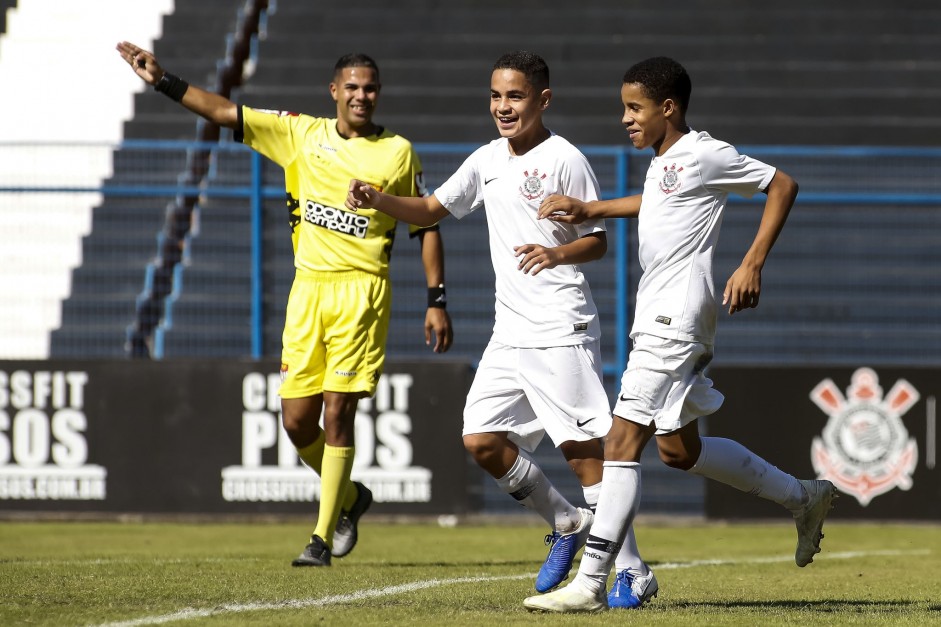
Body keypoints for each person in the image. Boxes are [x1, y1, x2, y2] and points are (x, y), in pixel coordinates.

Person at [116, 42, 453, 567]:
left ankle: (319, 540)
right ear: (334, 91)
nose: (362, 95)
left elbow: (426, 224)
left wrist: (437, 299)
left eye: (370, 88)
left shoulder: (398, 152)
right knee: (297, 421)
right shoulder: (300, 133)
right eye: (353, 87)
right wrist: (163, 81)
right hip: (308, 292)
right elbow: (226, 111)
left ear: (377, 94)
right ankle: (350, 497)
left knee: (340, 412)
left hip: (362, 294)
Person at [523, 56, 836, 613]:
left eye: (634, 107)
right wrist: (592, 207)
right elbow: (661, 202)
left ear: (668, 107)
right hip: (663, 315)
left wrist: (752, 263)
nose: (625, 118)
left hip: (677, 317)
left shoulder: (704, 152)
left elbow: (782, 184)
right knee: (678, 450)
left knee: (620, 443)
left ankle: (594, 581)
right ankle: (802, 497)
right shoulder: (667, 161)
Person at [346, 50, 654, 605]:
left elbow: (599, 241)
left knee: (586, 457)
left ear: (543, 99)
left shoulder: (565, 158)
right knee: (481, 440)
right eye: (495, 96)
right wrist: (379, 199)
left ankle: (632, 569)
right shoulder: (487, 159)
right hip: (509, 332)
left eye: (514, 96)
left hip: (560, 325)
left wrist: (556, 256)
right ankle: (565, 522)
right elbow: (431, 208)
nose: (503, 107)